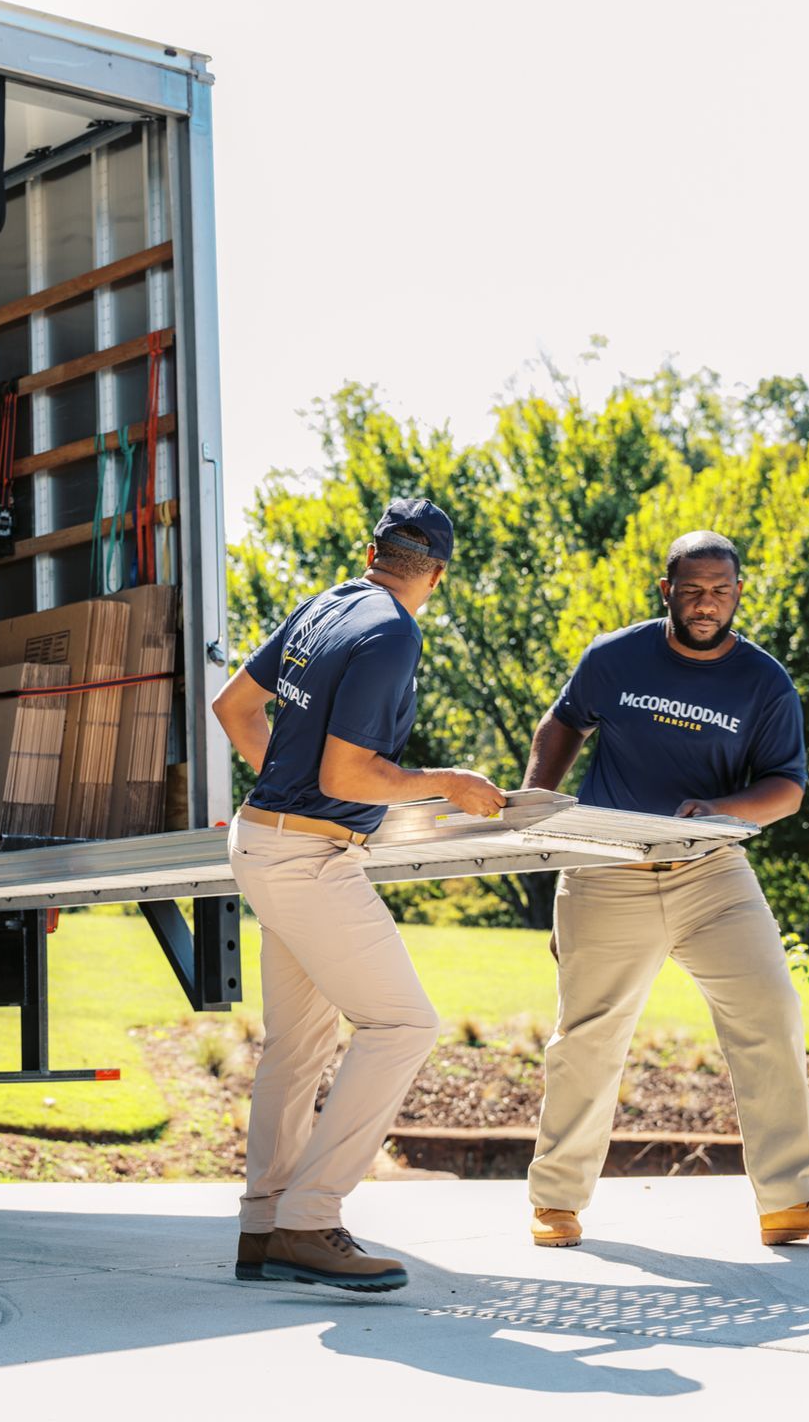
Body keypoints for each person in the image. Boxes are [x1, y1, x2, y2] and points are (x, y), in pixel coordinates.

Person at [520, 530, 809, 1248]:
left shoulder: (764, 682)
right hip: (606, 868)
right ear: (667, 591)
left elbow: (787, 788)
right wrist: (533, 809)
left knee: (770, 1010)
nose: (706, 604)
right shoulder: (615, 656)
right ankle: (555, 1203)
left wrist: (721, 811)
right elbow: (562, 723)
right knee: (588, 1036)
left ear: (738, 593)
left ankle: (791, 1200)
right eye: (692, 590)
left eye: (720, 590)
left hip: (711, 870)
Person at [211, 498, 507, 1291]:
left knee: (299, 1044)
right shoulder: (393, 633)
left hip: (262, 839)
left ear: (371, 552)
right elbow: (347, 775)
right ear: (437, 576)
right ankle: (310, 1219)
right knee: (404, 1024)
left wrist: (287, 789)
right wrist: (447, 782)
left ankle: (265, 1226)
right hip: (307, 859)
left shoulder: (326, 605)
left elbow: (233, 708)